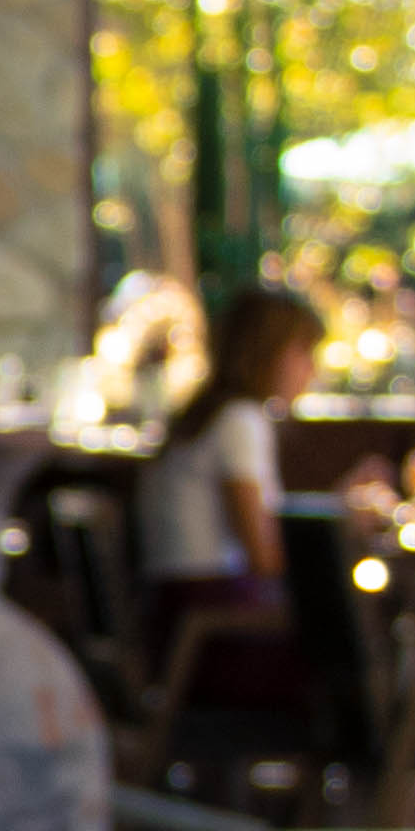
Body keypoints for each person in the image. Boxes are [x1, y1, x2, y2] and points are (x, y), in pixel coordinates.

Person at [133, 276, 331, 669]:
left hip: (175, 619)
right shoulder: (239, 421)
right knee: (355, 640)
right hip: (214, 628)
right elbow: (263, 558)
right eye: (304, 351)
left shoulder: (205, 416)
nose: (312, 368)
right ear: (269, 352)